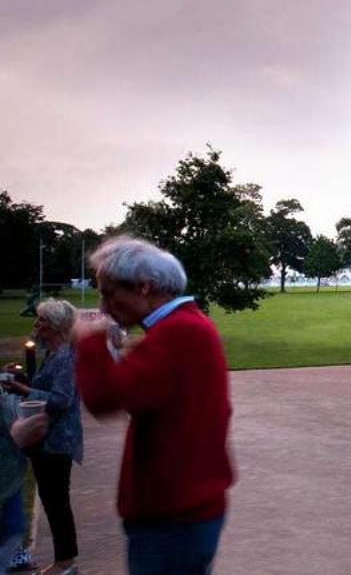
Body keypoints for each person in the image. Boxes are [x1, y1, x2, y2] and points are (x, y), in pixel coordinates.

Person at [73, 236, 235, 574]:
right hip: (188, 510)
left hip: (172, 516)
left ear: (144, 287)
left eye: (108, 292)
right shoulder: (190, 326)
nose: (104, 307)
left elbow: (104, 398)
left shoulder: (175, 334)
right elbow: (145, 395)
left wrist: (89, 340)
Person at [1, 298, 84, 573]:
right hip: (45, 441)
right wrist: (22, 380)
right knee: (52, 501)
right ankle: (65, 561)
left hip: (57, 442)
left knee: (57, 503)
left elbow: (61, 400)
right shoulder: (53, 353)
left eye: (43, 320)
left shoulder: (66, 356)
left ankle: (65, 563)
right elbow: (45, 388)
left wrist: (23, 391)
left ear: (57, 325)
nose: (37, 324)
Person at [1, 392, 51, 571]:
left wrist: (30, 426)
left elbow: (17, 431)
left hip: (9, 479)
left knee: (14, 527)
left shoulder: (4, 404)